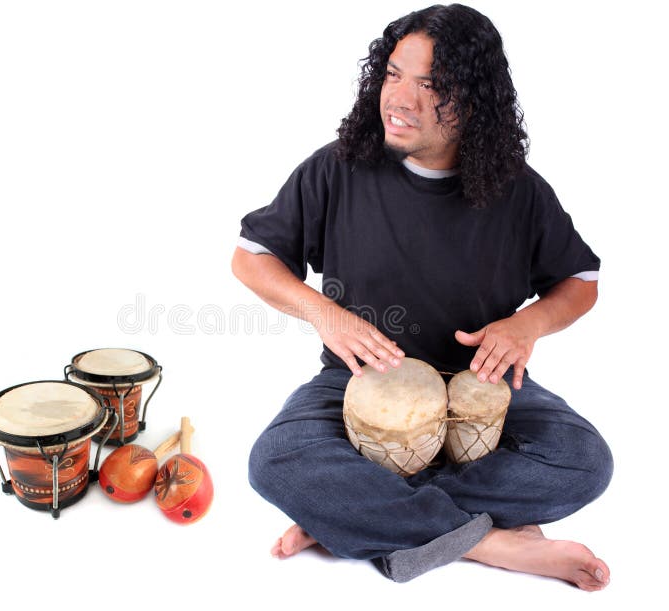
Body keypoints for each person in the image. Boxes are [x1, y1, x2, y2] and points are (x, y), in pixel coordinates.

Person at [231, 3, 613, 591]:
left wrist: (528, 325)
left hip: (482, 385)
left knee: (584, 460)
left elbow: (580, 283)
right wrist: (325, 315)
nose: (400, 99)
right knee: (274, 460)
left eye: (431, 85)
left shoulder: (519, 191)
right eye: (392, 75)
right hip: (355, 381)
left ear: (474, 101)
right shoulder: (338, 169)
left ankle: (354, 516)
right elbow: (250, 259)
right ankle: (491, 544)